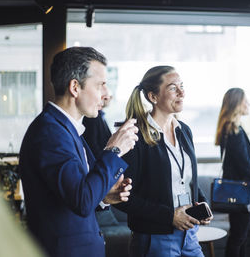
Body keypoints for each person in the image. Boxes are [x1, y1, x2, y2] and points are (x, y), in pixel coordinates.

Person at [19, 47, 139, 257]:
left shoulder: (66, 129)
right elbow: (82, 200)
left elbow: (78, 194)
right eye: (101, 84)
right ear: (75, 87)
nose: (106, 94)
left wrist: (103, 197)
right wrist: (114, 149)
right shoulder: (50, 133)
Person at [114, 66, 212, 257]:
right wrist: (170, 217)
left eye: (182, 86)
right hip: (155, 237)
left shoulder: (184, 130)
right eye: (173, 88)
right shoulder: (135, 135)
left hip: (189, 234)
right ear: (153, 97)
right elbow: (120, 197)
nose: (182, 92)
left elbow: (187, 181)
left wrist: (202, 204)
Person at [214, 88, 250, 257]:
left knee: (241, 235)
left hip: (240, 188)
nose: (248, 103)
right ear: (237, 103)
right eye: (245, 100)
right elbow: (244, 162)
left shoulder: (231, 127)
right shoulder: (232, 129)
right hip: (241, 189)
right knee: (239, 236)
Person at [83, 88, 113, 157]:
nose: (109, 99)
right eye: (108, 97)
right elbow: (92, 143)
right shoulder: (93, 116)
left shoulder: (101, 116)